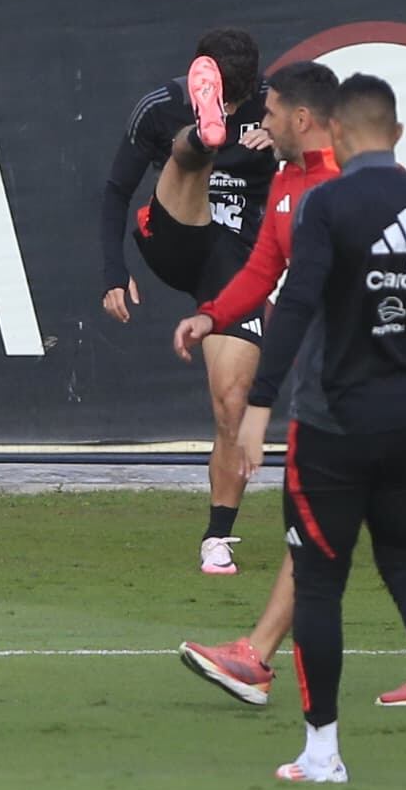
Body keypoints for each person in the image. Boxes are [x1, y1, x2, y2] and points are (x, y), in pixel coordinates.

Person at [241, 73, 406, 788]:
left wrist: (259, 401)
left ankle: (323, 751)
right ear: (394, 133)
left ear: (341, 132)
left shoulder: (327, 204)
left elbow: (295, 301)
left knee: (321, 581)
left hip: (330, 425)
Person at [171, 61, 349, 706]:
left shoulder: (341, 192)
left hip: (353, 389)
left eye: (270, 113)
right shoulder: (285, 185)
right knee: (389, 535)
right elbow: (262, 271)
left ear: (301, 118)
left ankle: (273, 678)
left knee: (327, 530)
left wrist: (262, 404)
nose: (261, 122)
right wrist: (211, 314)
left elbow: (298, 302)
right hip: (332, 386)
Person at [97, 28, 279, 578]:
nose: (232, 102)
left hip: (235, 265)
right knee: (191, 159)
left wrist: (287, 146)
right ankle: (202, 137)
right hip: (173, 233)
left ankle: (217, 538)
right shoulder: (158, 105)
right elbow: (115, 192)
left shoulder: (278, 109)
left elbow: (329, 160)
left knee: (231, 406)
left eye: (229, 101)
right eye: (215, 94)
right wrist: (112, 272)